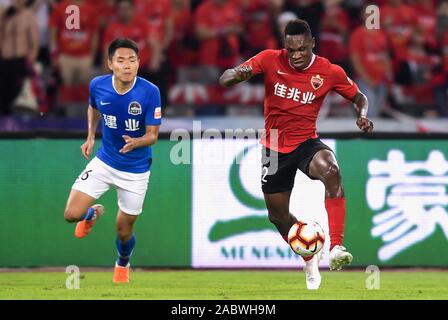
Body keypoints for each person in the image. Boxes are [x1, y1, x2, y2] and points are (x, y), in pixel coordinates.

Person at [219, 19, 374, 290]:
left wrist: (362, 116)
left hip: (306, 142)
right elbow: (228, 76)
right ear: (285, 47)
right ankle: (308, 255)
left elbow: (359, 97)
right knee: (278, 217)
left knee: (331, 170)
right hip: (274, 146)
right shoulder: (269, 59)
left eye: (302, 48)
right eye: (291, 50)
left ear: (312, 43)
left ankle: (336, 246)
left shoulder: (329, 71)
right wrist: (235, 76)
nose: (296, 55)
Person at [63, 38, 162, 283]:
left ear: (139, 63)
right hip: (105, 161)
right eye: (121, 60)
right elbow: (93, 107)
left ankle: (122, 264)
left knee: (124, 231)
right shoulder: (98, 85)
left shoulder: (150, 91)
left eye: (132, 60)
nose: (127, 65)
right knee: (70, 214)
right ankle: (91, 214)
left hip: (136, 171)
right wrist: (89, 136)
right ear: (110, 64)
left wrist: (136, 142)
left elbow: (153, 136)